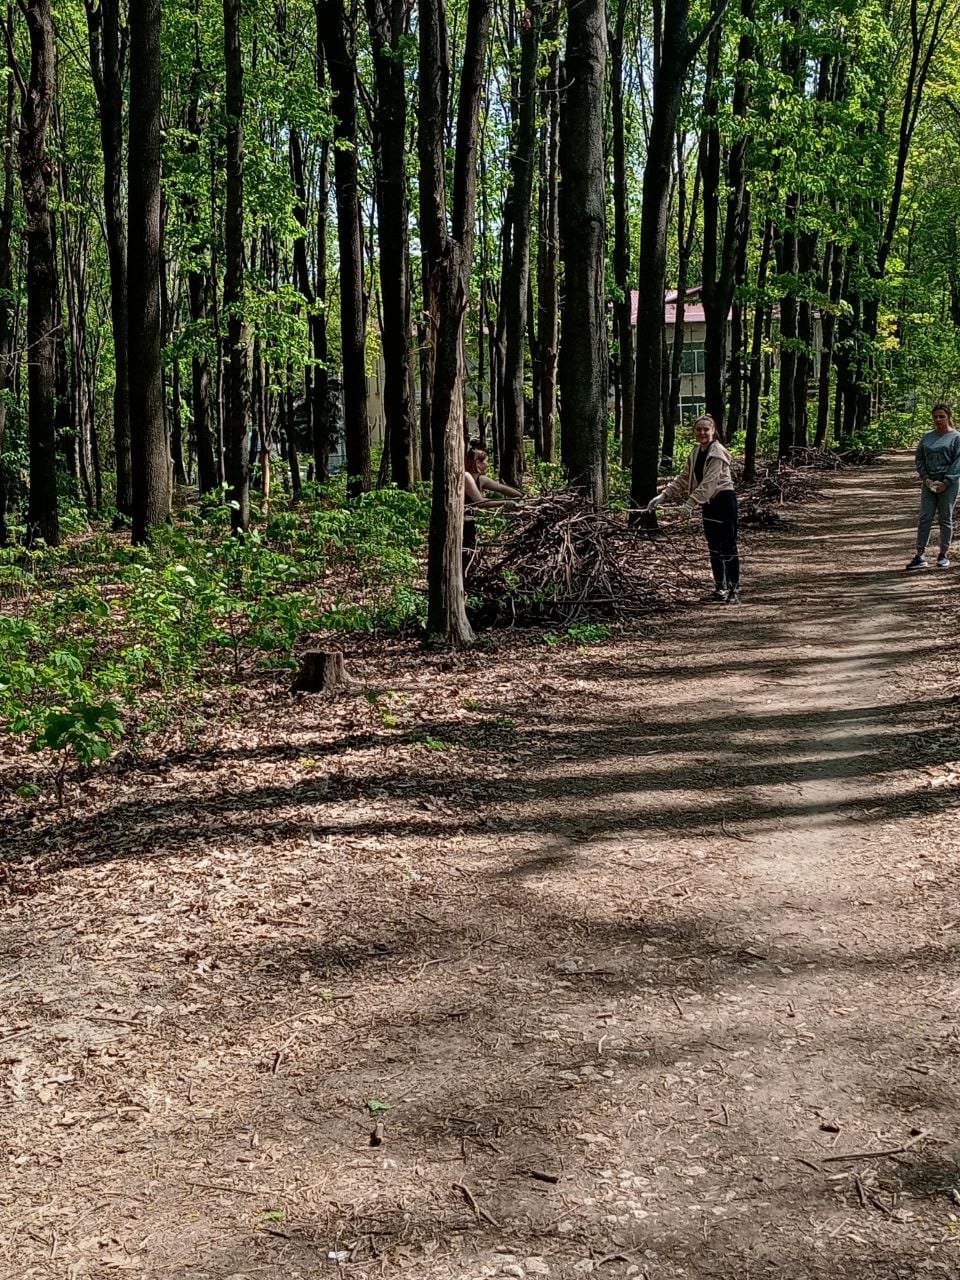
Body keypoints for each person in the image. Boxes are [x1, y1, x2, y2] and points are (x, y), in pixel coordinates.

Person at [644, 414, 741, 605]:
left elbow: (710, 482)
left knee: (728, 545)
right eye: (699, 429)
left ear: (713, 431)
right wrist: (663, 496)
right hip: (709, 503)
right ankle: (720, 588)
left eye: (706, 429)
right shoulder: (696, 452)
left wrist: (691, 502)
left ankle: (734, 589)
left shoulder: (717, 452)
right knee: (713, 546)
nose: (702, 432)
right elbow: (684, 477)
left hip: (724, 500)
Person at [906, 403, 960, 571]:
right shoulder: (927, 438)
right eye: (935, 416)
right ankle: (920, 555)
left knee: (945, 517)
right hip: (929, 483)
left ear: (948, 417)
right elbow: (920, 459)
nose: (938, 419)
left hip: (948, 484)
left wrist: (946, 482)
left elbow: (958, 462)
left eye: (941, 416)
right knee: (925, 517)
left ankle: (943, 554)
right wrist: (927, 480)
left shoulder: (956, 437)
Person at [463, 444, 522, 575]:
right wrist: (505, 503)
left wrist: (521, 496)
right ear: (477, 463)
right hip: (461, 525)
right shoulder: (466, 476)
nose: (487, 465)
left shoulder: (480, 479)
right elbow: (480, 502)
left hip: (469, 523)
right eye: (486, 462)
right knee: (466, 556)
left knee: (470, 554)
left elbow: (501, 488)